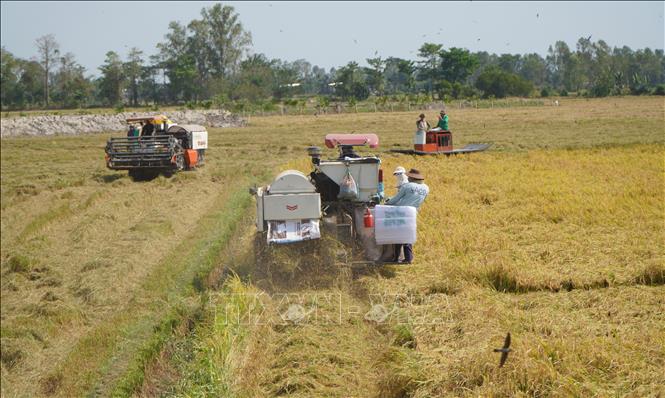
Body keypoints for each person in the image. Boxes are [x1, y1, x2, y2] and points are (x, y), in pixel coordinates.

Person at [385, 168, 429, 264]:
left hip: (401, 213)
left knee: (398, 235)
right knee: (408, 235)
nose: (407, 177)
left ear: (412, 178)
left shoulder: (407, 186)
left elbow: (396, 199)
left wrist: (386, 203)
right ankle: (408, 258)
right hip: (413, 213)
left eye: (409, 176)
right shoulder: (426, 188)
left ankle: (396, 258)